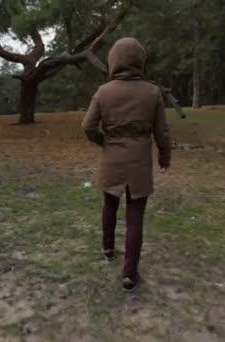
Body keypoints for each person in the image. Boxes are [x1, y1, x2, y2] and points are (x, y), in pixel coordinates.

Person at [81, 37, 172, 292]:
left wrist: (104, 142)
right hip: (140, 160)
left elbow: (87, 126)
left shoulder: (103, 91)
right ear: (139, 61)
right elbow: (162, 133)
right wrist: (165, 156)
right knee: (135, 217)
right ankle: (130, 274)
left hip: (112, 158)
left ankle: (108, 249)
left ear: (113, 60)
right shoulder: (152, 92)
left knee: (109, 204)